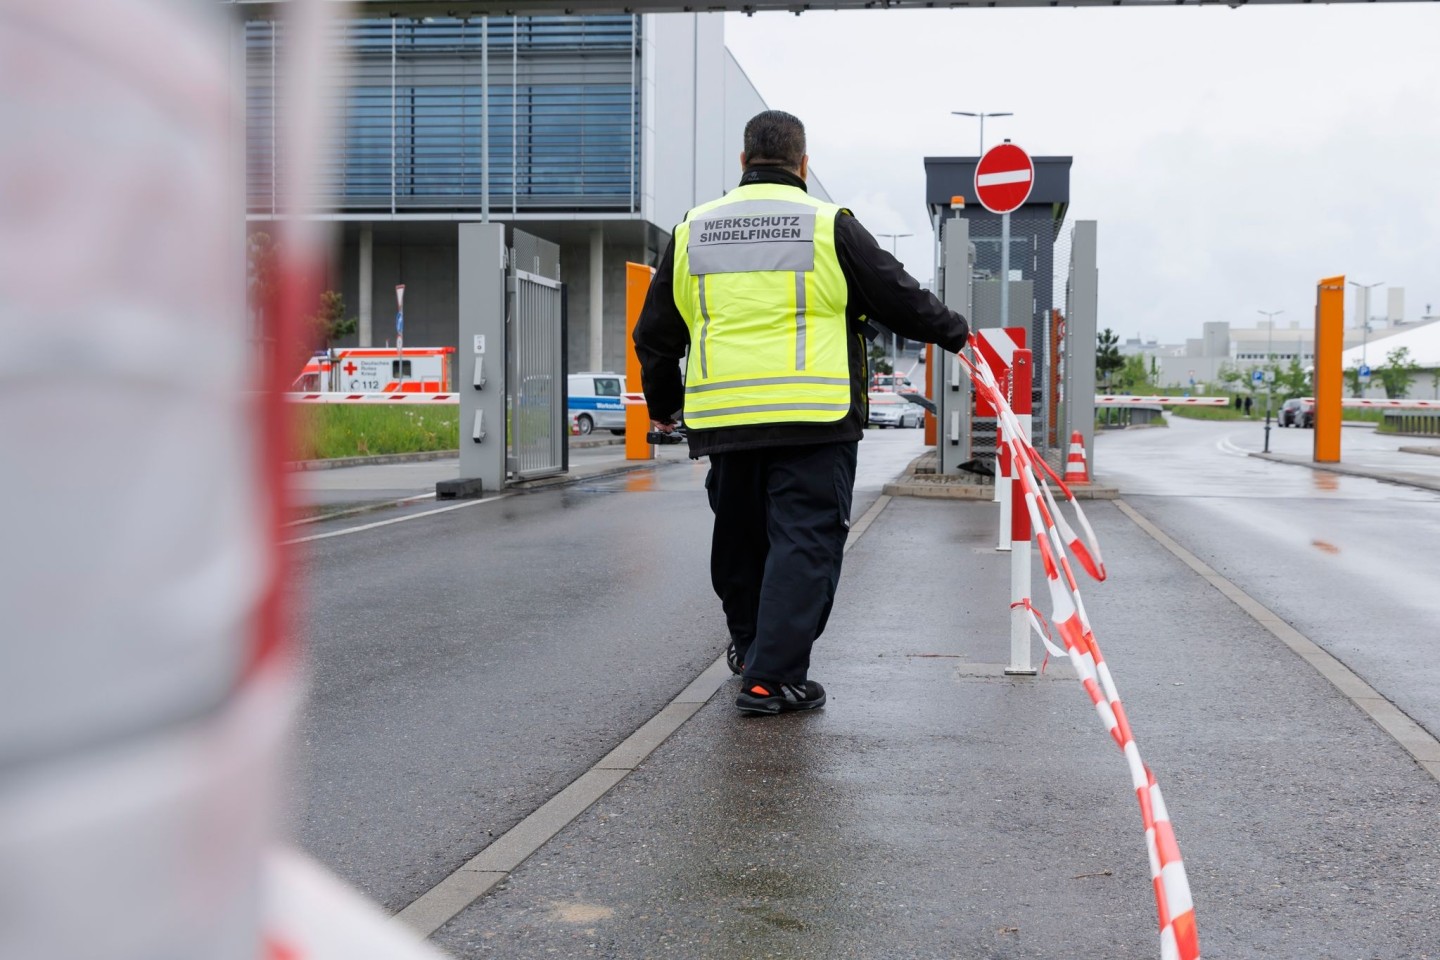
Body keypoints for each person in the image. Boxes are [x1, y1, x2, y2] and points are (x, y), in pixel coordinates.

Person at [633, 110, 970, 716]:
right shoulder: (827, 225)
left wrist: (665, 407)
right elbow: (899, 297)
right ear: (804, 164)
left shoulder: (693, 229)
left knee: (740, 541)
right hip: (814, 417)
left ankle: (752, 649)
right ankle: (771, 678)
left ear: (743, 162)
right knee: (804, 543)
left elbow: (656, 335)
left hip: (726, 421)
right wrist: (960, 336)